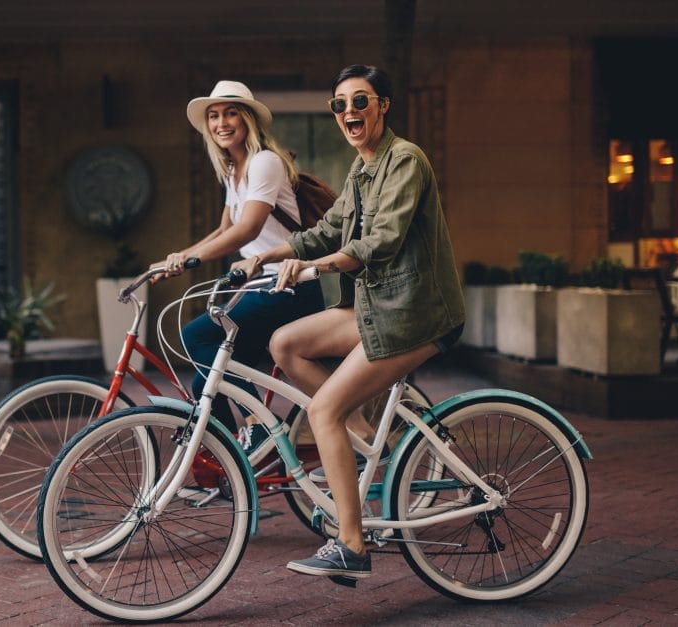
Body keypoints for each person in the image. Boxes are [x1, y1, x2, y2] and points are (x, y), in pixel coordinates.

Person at [232, 64, 465, 580]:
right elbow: (328, 230)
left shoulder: (405, 160)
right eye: (340, 104)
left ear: (384, 106)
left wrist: (315, 268)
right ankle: (360, 433)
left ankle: (352, 544)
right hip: (377, 308)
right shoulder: (361, 169)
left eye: (361, 101)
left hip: (415, 314)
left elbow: (381, 241)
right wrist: (267, 257)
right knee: (285, 344)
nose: (349, 112)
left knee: (322, 412)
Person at [153, 80, 325, 449]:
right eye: (214, 116)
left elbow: (248, 229)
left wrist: (193, 258)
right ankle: (229, 459)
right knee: (204, 380)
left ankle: (259, 425)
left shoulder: (264, 162)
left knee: (196, 336)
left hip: (289, 285)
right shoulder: (234, 170)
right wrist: (178, 258)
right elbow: (224, 229)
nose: (221, 122)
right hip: (261, 286)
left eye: (230, 113)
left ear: (248, 119)